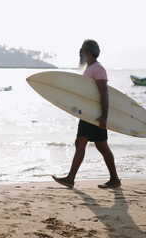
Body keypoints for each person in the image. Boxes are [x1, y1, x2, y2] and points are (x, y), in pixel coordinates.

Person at [52, 39, 121, 189]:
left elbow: (104, 93)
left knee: (81, 143)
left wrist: (104, 116)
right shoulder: (90, 68)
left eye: (82, 50)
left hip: (94, 115)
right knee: (101, 146)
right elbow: (87, 94)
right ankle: (114, 179)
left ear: (87, 52)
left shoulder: (98, 69)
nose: (80, 53)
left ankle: (70, 178)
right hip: (89, 114)